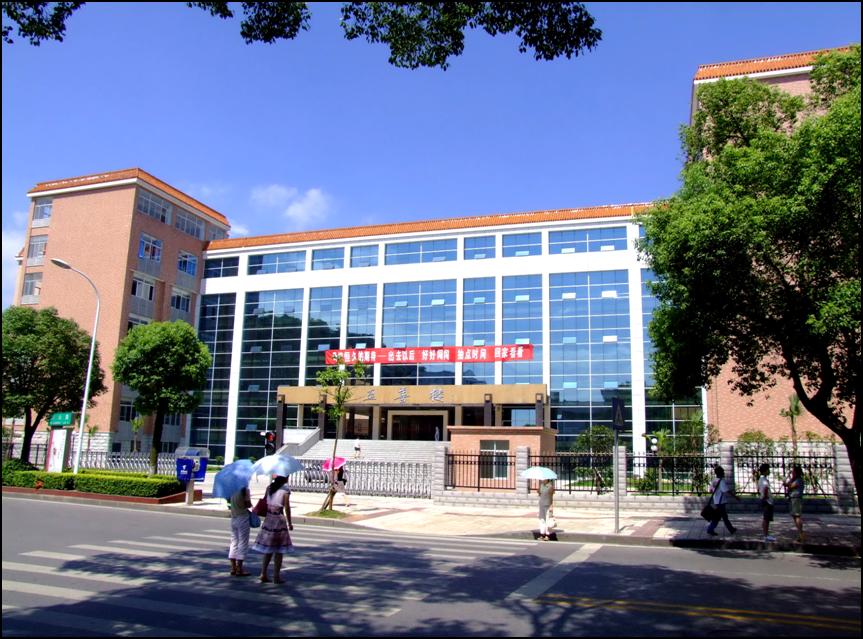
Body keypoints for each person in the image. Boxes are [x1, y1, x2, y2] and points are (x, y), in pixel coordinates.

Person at [251, 475, 293, 584]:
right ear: (285, 478)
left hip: (269, 518)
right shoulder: (285, 489)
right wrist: (289, 522)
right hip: (278, 519)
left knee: (268, 548)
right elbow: (287, 507)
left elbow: (266, 501)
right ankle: (276, 576)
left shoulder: (269, 487)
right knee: (279, 550)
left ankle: (263, 573)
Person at [705, 466, 738, 536]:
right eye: (723, 472)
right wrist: (735, 497)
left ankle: (730, 529)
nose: (724, 473)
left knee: (718, 517)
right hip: (721, 502)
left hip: (716, 501)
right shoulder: (721, 481)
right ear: (720, 473)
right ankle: (730, 529)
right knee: (722, 517)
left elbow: (710, 490)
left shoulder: (714, 480)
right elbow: (726, 491)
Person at [228, 486, 253, 576]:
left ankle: (233, 567)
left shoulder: (231, 489)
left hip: (233, 517)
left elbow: (229, 503)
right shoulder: (245, 490)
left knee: (234, 541)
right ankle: (239, 568)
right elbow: (248, 504)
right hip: (242, 517)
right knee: (243, 542)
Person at [784, 464, 805, 543]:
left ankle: (801, 534)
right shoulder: (794, 479)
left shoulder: (799, 480)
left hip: (796, 499)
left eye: (793, 472)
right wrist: (790, 477)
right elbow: (788, 484)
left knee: (797, 516)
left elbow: (790, 486)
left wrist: (787, 482)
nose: (792, 473)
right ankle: (800, 533)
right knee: (795, 516)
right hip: (793, 499)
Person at [758, 463, 776, 542]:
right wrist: (765, 497)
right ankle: (766, 535)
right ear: (765, 471)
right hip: (767, 501)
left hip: (765, 500)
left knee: (766, 518)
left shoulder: (761, 479)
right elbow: (765, 489)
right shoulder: (764, 480)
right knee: (766, 518)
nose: (769, 471)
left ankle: (766, 534)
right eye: (768, 469)